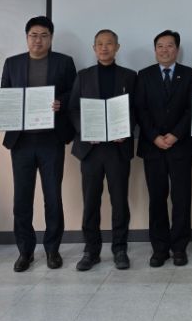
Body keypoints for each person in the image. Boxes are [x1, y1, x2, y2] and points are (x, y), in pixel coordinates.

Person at [0, 16, 76, 272]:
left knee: (53, 198)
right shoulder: (12, 63)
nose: (38, 40)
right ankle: (25, 251)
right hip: (21, 141)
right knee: (21, 200)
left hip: (51, 139)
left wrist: (60, 102)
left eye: (44, 35)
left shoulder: (64, 62)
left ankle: (52, 250)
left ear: (51, 38)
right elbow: (5, 94)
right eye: (33, 35)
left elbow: (74, 92)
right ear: (26, 37)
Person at [69, 29, 136, 271]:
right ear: (94, 48)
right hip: (91, 150)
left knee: (119, 202)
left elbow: (136, 110)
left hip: (118, 149)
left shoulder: (130, 76)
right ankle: (91, 250)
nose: (104, 47)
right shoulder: (83, 76)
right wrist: (86, 131)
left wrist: (126, 130)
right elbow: (73, 109)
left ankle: (120, 249)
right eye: (100, 44)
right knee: (90, 202)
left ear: (117, 47)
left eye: (109, 43)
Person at [134, 30, 192, 267]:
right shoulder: (144, 75)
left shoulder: (189, 74)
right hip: (153, 148)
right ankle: (159, 248)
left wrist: (176, 134)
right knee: (157, 199)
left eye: (169, 46)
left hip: (180, 146)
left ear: (177, 49)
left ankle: (179, 247)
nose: (164, 50)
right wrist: (154, 137)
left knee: (181, 199)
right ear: (155, 50)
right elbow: (140, 110)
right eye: (160, 46)